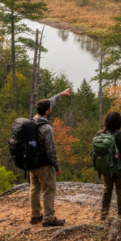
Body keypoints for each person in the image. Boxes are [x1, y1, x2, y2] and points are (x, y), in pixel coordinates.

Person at [30, 88, 71, 227]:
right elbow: (51, 150)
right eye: (50, 108)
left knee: (34, 188)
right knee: (48, 190)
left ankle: (35, 215)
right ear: (48, 111)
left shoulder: (32, 122)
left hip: (32, 163)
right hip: (45, 165)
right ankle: (49, 218)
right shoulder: (46, 128)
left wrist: (60, 95)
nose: (51, 108)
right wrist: (57, 166)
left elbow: (48, 103)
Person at [98, 111, 121, 221]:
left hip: (106, 169)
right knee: (120, 191)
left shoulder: (100, 135)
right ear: (119, 122)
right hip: (120, 169)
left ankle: (104, 215)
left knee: (107, 190)